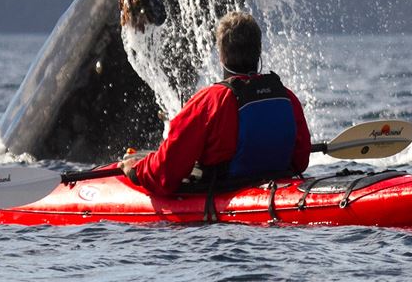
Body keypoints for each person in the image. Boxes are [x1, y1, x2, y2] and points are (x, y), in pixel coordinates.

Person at [121, 11, 311, 195]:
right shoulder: (287, 97)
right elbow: (300, 161)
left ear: (221, 55)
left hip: (226, 192)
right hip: (278, 188)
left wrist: (135, 170)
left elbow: (165, 172)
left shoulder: (209, 102)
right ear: (258, 51)